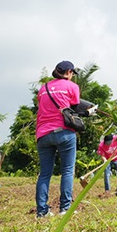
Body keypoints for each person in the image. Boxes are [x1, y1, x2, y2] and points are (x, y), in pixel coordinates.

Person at [35, 60, 82, 218]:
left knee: (45, 174)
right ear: (69, 72)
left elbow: (40, 106)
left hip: (43, 134)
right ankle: (65, 208)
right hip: (64, 132)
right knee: (67, 171)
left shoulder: (43, 88)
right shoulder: (72, 86)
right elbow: (74, 108)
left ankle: (42, 211)